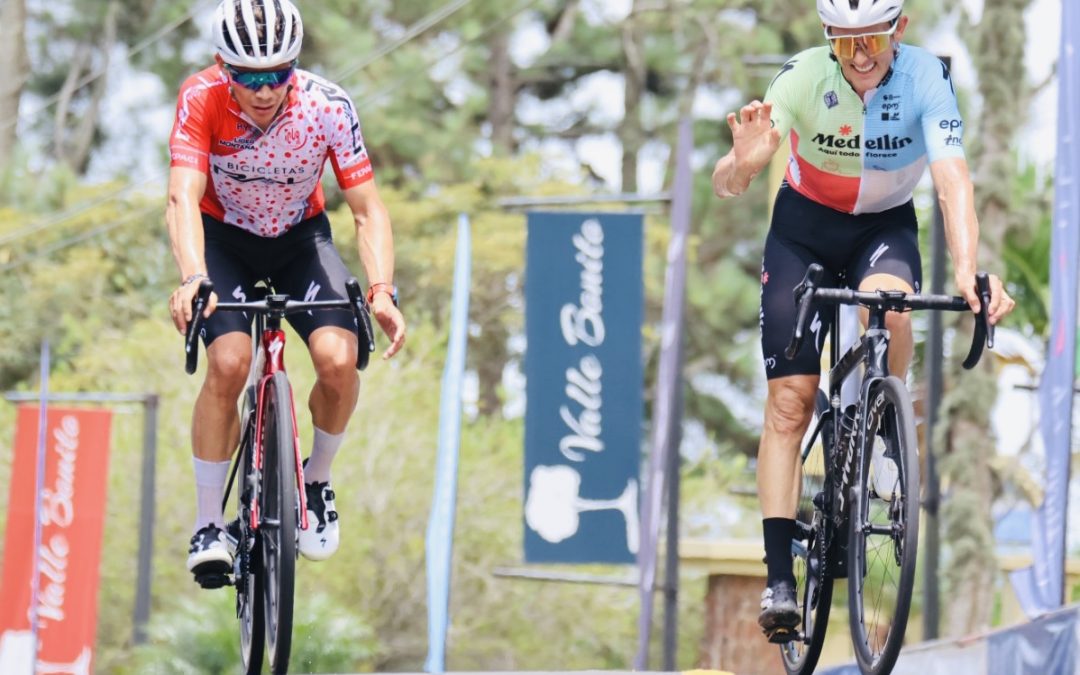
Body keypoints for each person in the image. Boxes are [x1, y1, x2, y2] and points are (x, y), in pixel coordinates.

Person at [711, 0, 1015, 640]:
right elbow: (728, 184)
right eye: (844, 43)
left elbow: (952, 178)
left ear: (897, 30)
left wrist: (967, 270)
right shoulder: (799, 78)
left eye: (871, 39)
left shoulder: (927, 77)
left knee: (889, 303)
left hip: (883, 230)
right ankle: (778, 579)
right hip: (803, 234)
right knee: (790, 403)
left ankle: (881, 423)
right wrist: (743, 161)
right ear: (829, 40)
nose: (859, 55)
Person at [165, 0, 406, 584]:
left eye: (279, 73)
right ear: (225, 66)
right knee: (228, 362)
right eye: (249, 76)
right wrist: (194, 275)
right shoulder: (201, 98)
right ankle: (207, 523)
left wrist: (380, 289)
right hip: (224, 240)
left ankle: (316, 480)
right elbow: (181, 196)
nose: (266, 89)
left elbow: (367, 210)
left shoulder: (328, 106)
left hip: (300, 238)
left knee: (338, 359)